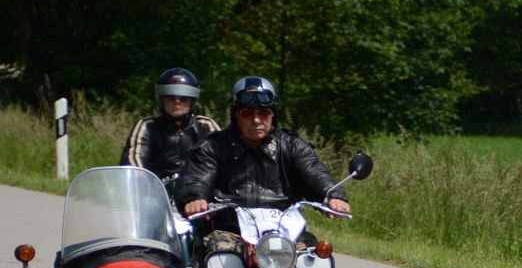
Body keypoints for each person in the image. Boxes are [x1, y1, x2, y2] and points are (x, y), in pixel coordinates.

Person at [180, 77, 350, 231]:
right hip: (230, 230)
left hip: (285, 233)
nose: (256, 120)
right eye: (247, 114)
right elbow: (197, 178)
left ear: (272, 116)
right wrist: (196, 198)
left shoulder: (292, 145)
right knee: (218, 256)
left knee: (318, 258)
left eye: (263, 113)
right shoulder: (213, 146)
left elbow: (314, 173)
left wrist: (332, 195)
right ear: (236, 116)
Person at [119, 68, 221, 186]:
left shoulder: (206, 126)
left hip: (198, 194)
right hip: (156, 194)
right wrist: (143, 184)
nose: (177, 101)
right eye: (170, 97)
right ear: (161, 99)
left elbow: (221, 161)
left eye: (183, 98)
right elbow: (133, 163)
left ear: (192, 100)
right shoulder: (147, 126)